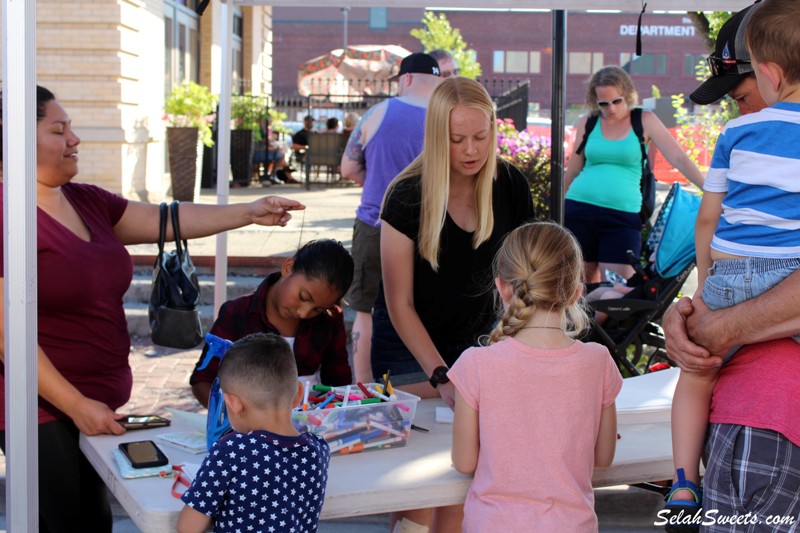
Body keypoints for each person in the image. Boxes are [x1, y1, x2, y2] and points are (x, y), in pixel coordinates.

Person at [0, 85, 304, 533]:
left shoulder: (87, 201)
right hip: (44, 410)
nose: (74, 140)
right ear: (17, 139)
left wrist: (249, 211)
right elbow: (10, 337)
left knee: (94, 520)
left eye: (72, 129)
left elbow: (170, 220)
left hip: (100, 403)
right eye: (59, 130)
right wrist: (77, 404)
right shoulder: (8, 215)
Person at [373, 77, 534, 532]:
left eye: (480, 136)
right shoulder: (407, 195)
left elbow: (526, 282)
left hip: (478, 350)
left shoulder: (510, 186)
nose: (471, 149)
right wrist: (442, 374)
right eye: (457, 139)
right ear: (436, 138)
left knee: (464, 491)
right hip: (410, 355)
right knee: (419, 499)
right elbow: (398, 303)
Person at [664, 2, 800, 530]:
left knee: (694, 372)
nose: (745, 116)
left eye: (744, 97)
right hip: (752, 408)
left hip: (767, 416)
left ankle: (680, 482)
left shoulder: (739, 140)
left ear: (768, 74)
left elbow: (707, 224)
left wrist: (711, 313)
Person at [449, 222, 622, 532]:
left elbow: (464, 462)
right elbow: (604, 457)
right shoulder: (598, 362)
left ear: (502, 287)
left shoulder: (475, 364)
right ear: (575, 292)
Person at [340, 52, 442, 384]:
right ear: (438, 82)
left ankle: (364, 388)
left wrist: (380, 183)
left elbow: (348, 167)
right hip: (430, 229)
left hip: (375, 225)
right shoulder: (448, 119)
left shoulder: (378, 112)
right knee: (421, 310)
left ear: (406, 78)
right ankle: (421, 383)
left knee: (365, 311)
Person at [564, 66, 705, 283]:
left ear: (627, 94)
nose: (610, 108)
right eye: (603, 103)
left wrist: (710, 189)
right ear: (595, 100)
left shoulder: (644, 120)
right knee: (576, 289)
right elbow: (573, 168)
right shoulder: (589, 122)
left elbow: (678, 158)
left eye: (616, 101)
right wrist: (554, 209)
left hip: (621, 216)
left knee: (619, 290)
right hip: (579, 209)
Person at [178, 333, 330, 533]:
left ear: (234, 403)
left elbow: (188, 528)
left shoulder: (231, 451)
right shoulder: (319, 450)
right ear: (298, 395)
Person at [189, 239, 354, 407]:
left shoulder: (329, 319)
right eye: (303, 297)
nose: (303, 313)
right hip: (246, 427)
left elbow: (338, 386)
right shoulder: (238, 313)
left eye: (317, 309)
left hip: (309, 424)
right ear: (288, 267)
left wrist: (329, 416)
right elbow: (202, 380)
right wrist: (231, 418)